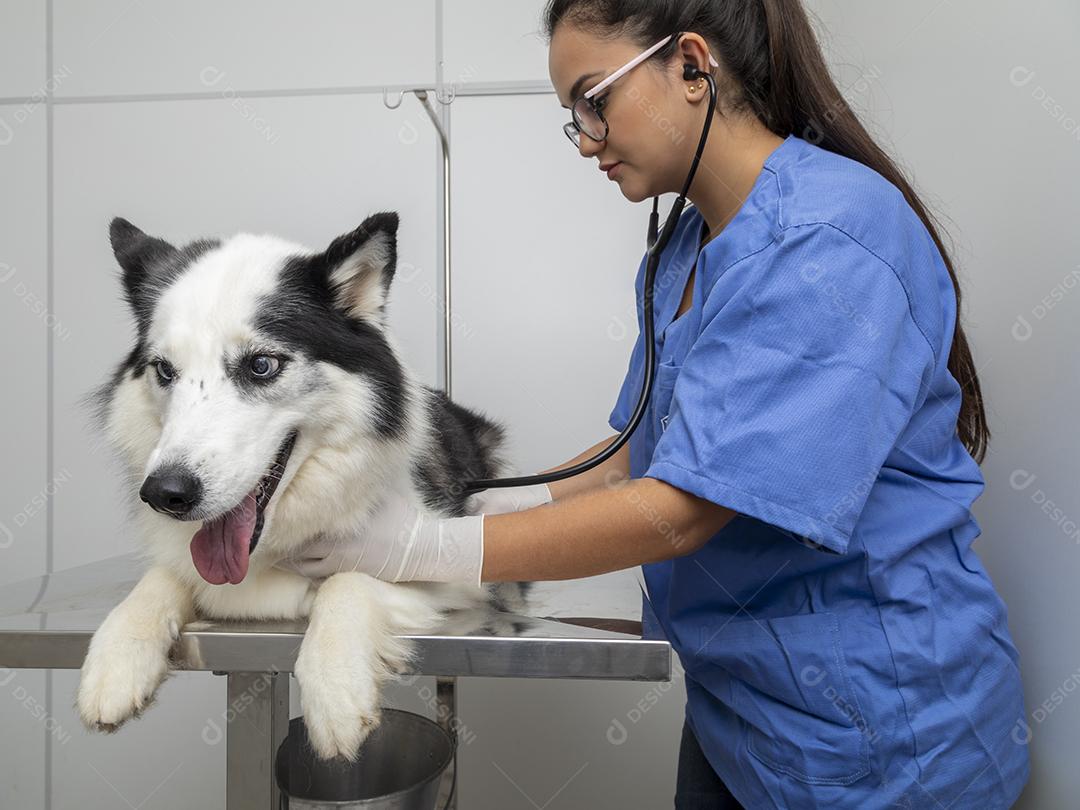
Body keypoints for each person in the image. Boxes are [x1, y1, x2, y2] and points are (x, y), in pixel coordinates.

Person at [277, 1, 1030, 807]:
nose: (587, 140)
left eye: (594, 99)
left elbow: (685, 509)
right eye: (573, 116)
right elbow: (636, 453)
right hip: (737, 711)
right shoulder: (685, 247)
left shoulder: (828, 243)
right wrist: (475, 501)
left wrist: (427, 550)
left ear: (692, 66)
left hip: (879, 735)